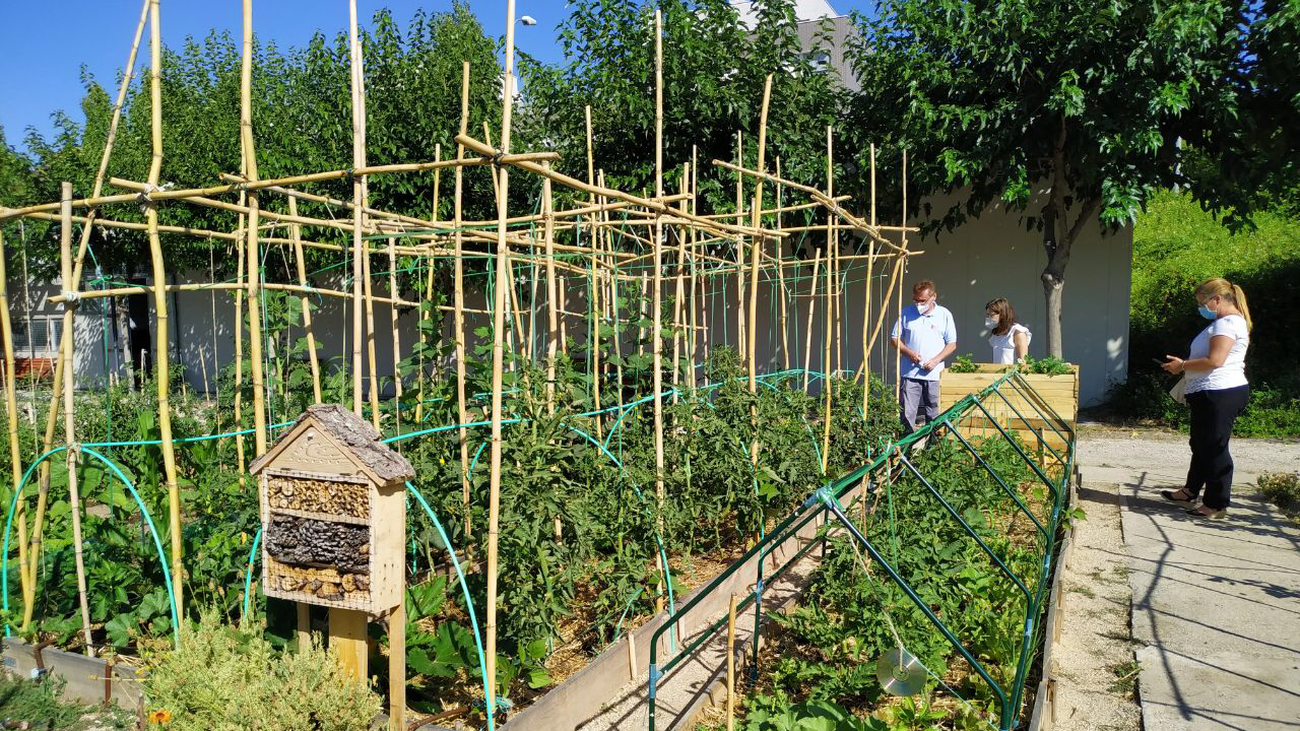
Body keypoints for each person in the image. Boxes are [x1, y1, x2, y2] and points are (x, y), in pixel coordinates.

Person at [1159, 277, 1252, 519]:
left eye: (1203, 302)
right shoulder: (1225, 322)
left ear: (1217, 299)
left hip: (1220, 392)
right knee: (1201, 444)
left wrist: (1183, 366)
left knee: (1214, 446)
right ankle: (1190, 491)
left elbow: (1215, 361)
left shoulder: (1227, 324)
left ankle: (1216, 503)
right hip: (1210, 392)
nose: (1201, 308)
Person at [890, 279, 957, 434]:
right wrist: (909, 353)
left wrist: (936, 360)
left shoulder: (944, 315)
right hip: (910, 373)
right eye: (916, 300)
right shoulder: (906, 313)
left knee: (934, 413)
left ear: (933, 297)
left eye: (922, 301)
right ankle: (906, 450)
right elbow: (894, 339)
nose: (918, 303)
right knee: (907, 414)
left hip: (934, 374)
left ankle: (932, 448)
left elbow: (952, 344)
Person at [984, 298, 1031, 364]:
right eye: (988, 315)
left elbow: (1023, 362)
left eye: (991, 315)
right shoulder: (996, 333)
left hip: (1011, 373)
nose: (989, 318)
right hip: (997, 373)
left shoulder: (1018, 331)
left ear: (1002, 314)